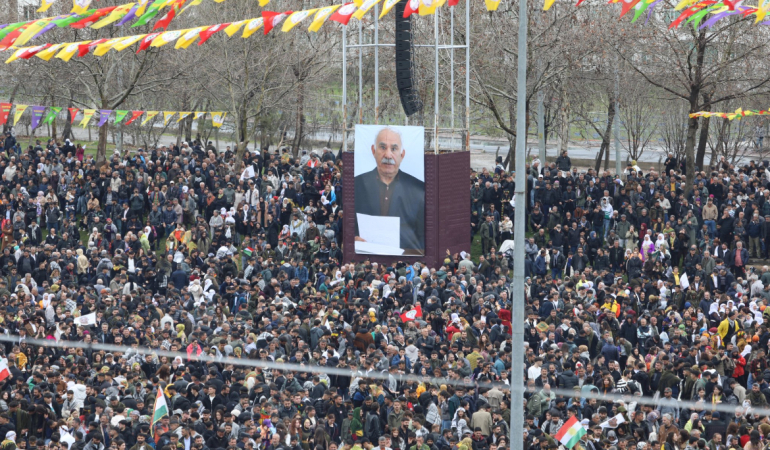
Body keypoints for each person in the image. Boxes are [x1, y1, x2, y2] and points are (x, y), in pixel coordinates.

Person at [354, 127, 425, 253]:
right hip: (366, 258)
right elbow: (345, 227)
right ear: (373, 150)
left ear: (402, 155)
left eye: (394, 149)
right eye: (382, 147)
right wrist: (351, 240)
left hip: (405, 260)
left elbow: (424, 235)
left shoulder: (419, 190)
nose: (388, 155)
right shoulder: (356, 185)